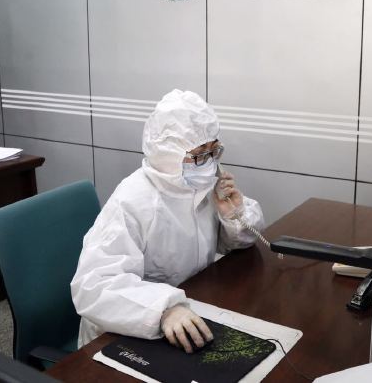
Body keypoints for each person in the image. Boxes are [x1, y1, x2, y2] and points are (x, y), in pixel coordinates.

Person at [71, 89, 265, 352]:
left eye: (214, 151)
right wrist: (164, 309)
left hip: (189, 311)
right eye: (199, 154)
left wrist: (234, 213)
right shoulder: (132, 201)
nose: (209, 163)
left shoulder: (202, 185)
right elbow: (94, 285)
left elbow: (243, 240)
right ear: (168, 153)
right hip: (126, 330)